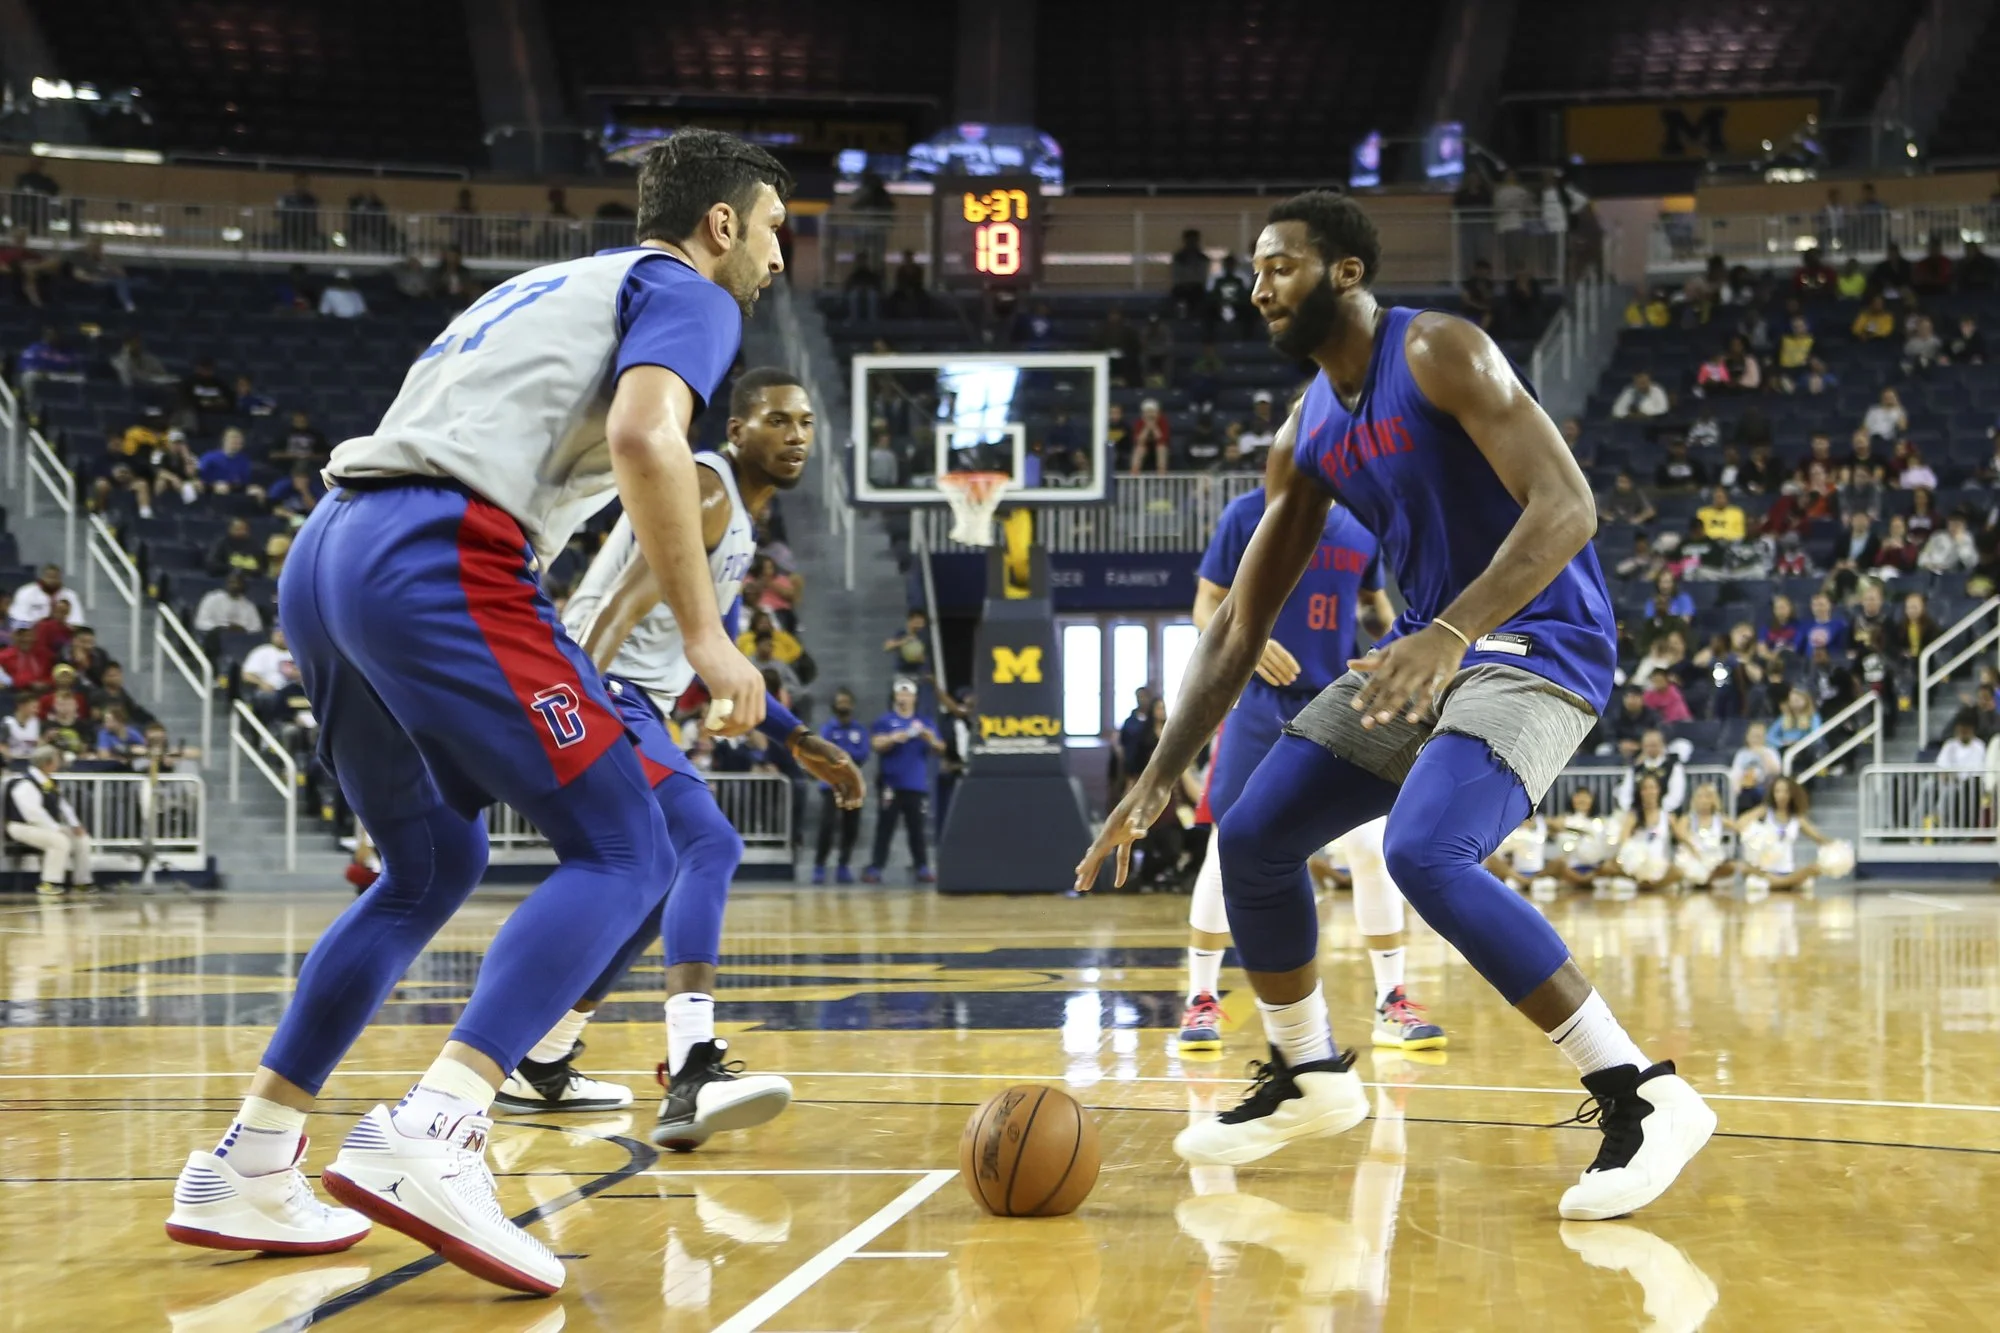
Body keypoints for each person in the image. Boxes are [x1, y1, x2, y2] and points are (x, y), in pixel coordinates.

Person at [163, 130, 790, 1293]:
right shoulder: (688, 293)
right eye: (770, 232)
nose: (774, 261)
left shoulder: (550, 282)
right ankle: (438, 1123)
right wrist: (705, 638)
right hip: (438, 548)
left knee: (427, 862)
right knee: (629, 845)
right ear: (720, 225)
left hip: (330, 551)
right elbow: (647, 434)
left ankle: (250, 1156)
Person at [1075, 191, 1712, 1219]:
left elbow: (1568, 506)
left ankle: (1639, 1092)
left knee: (1423, 852)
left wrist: (1448, 632)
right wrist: (1155, 777)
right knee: (1251, 834)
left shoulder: (1439, 353)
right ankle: (1311, 1072)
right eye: (1253, 268)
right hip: (1429, 654)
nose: (1256, 284)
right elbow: (1239, 625)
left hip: (1536, 645)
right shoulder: (1307, 430)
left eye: (1278, 263)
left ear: (1346, 273)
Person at [501, 367, 863, 1146]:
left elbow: (707, 647)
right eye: (777, 420)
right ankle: (692, 1066)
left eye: (804, 421)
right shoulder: (706, 491)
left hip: (625, 696)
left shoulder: (739, 516)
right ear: (737, 432)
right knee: (710, 842)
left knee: (657, 880)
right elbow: (622, 609)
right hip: (601, 689)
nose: (796, 434)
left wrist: (792, 735)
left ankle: (543, 1057)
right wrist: (584, 712)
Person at [1177, 485, 1446, 1061]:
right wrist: (1245, 643)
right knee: (1227, 845)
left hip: (1338, 699)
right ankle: (1200, 997)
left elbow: (1376, 606)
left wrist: (1403, 651)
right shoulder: (1247, 514)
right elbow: (1206, 603)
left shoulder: (1363, 523)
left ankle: (1391, 1001)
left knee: (1372, 847)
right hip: (1257, 701)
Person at [864, 678, 946, 882]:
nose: (904, 697)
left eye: (908, 694)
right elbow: (875, 743)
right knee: (885, 827)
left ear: (915, 698)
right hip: (890, 783)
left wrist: (930, 739)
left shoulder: (924, 723)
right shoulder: (885, 720)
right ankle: (876, 866)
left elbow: (940, 748)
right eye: (901, 693)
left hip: (915, 784)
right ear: (895, 696)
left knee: (916, 828)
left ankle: (922, 866)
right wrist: (893, 738)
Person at [6, 747, 91, 897]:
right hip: (21, 826)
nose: (59, 764)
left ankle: (82, 882)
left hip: (44, 827)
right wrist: (55, 828)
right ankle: (49, 882)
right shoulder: (25, 783)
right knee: (59, 841)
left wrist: (75, 825)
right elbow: (33, 813)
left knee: (81, 839)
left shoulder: (50, 782)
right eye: (57, 760)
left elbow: (64, 805)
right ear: (47, 763)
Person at [812, 687, 871, 883]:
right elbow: (825, 753)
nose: (843, 706)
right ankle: (819, 865)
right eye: (840, 702)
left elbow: (863, 754)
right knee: (827, 826)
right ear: (834, 706)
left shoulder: (859, 730)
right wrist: (846, 757)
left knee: (851, 827)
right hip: (831, 784)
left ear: (852, 705)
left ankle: (843, 865)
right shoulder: (828, 729)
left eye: (846, 702)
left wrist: (841, 756)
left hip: (852, 784)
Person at [1735, 776, 1823, 897]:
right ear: (1772, 793)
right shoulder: (1765, 811)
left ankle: (1778, 884)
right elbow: (1740, 823)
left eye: (1785, 791)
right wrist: (1756, 835)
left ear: (1792, 794)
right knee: (1744, 868)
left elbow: (1818, 838)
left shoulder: (1797, 818)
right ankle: (1787, 885)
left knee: (1816, 868)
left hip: (1788, 870)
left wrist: (1836, 848)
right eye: (1778, 791)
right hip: (1765, 870)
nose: (1781, 795)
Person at [1607, 772, 1679, 896]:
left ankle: (1646, 885)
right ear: (1640, 792)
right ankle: (1645, 884)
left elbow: (1682, 838)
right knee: (1608, 866)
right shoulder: (1633, 815)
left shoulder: (1668, 817)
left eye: (1652, 787)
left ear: (1659, 790)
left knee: (1678, 872)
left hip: (1660, 863)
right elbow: (1623, 839)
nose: (1649, 792)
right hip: (1636, 862)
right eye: (1645, 788)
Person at [1672, 782, 1737, 890]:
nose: (1703, 800)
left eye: (1707, 797)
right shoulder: (1687, 818)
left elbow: (1738, 827)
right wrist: (1693, 848)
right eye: (1700, 796)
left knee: (1728, 868)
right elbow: (1680, 834)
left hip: (1713, 857)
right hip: (1693, 855)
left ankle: (1706, 880)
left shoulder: (1720, 819)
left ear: (1714, 800)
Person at [1616, 729, 1687, 813]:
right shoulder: (1635, 767)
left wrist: (1658, 810)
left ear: (1662, 745)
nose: (1651, 748)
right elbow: (1625, 793)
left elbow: (1676, 795)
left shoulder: (1673, 766)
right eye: (1647, 746)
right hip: (1637, 813)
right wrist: (1631, 810)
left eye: (1654, 745)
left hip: (1666, 813)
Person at [9, 565, 82, 631]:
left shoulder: (71, 595)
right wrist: (40, 625)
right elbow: (18, 620)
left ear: (60, 578)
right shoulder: (25, 592)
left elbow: (77, 622)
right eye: (49, 577)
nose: (52, 581)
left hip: (61, 634)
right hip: (32, 633)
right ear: (41, 577)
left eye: (55, 577)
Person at [1730, 720, 1782, 809]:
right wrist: (1736, 785)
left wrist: (1763, 754)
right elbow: (1736, 771)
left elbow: (1776, 771)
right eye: (1753, 736)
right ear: (1747, 737)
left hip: (1764, 786)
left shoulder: (1770, 751)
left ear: (1765, 738)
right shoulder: (1742, 753)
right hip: (1745, 786)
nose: (1755, 739)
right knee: (1740, 794)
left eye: (1759, 736)